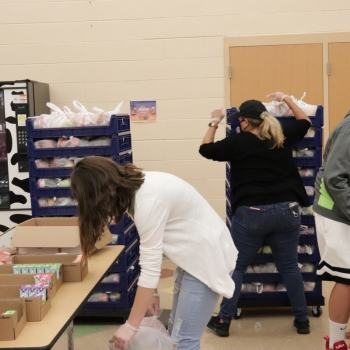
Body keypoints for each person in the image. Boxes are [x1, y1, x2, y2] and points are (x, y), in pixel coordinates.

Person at [70, 156, 238, 350]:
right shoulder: (136, 189)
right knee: (176, 334)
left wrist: (130, 326)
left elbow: (150, 266)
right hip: (193, 257)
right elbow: (152, 247)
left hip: (207, 259)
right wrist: (153, 292)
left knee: (184, 341)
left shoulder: (147, 200)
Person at [199, 92, 312, 337]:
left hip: (252, 213)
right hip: (287, 210)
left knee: (237, 267)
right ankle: (302, 321)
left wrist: (215, 121)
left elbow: (206, 149)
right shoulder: (280, 135)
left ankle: (224, 322)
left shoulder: (238, 143)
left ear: (246, 122)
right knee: (290, 266)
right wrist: (288, 100)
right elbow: (305, 122)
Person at [313, 110, 350, 350]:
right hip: (336, 211)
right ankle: (336, 342)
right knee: (346, 276)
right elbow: (335, 179)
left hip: (341, 207)